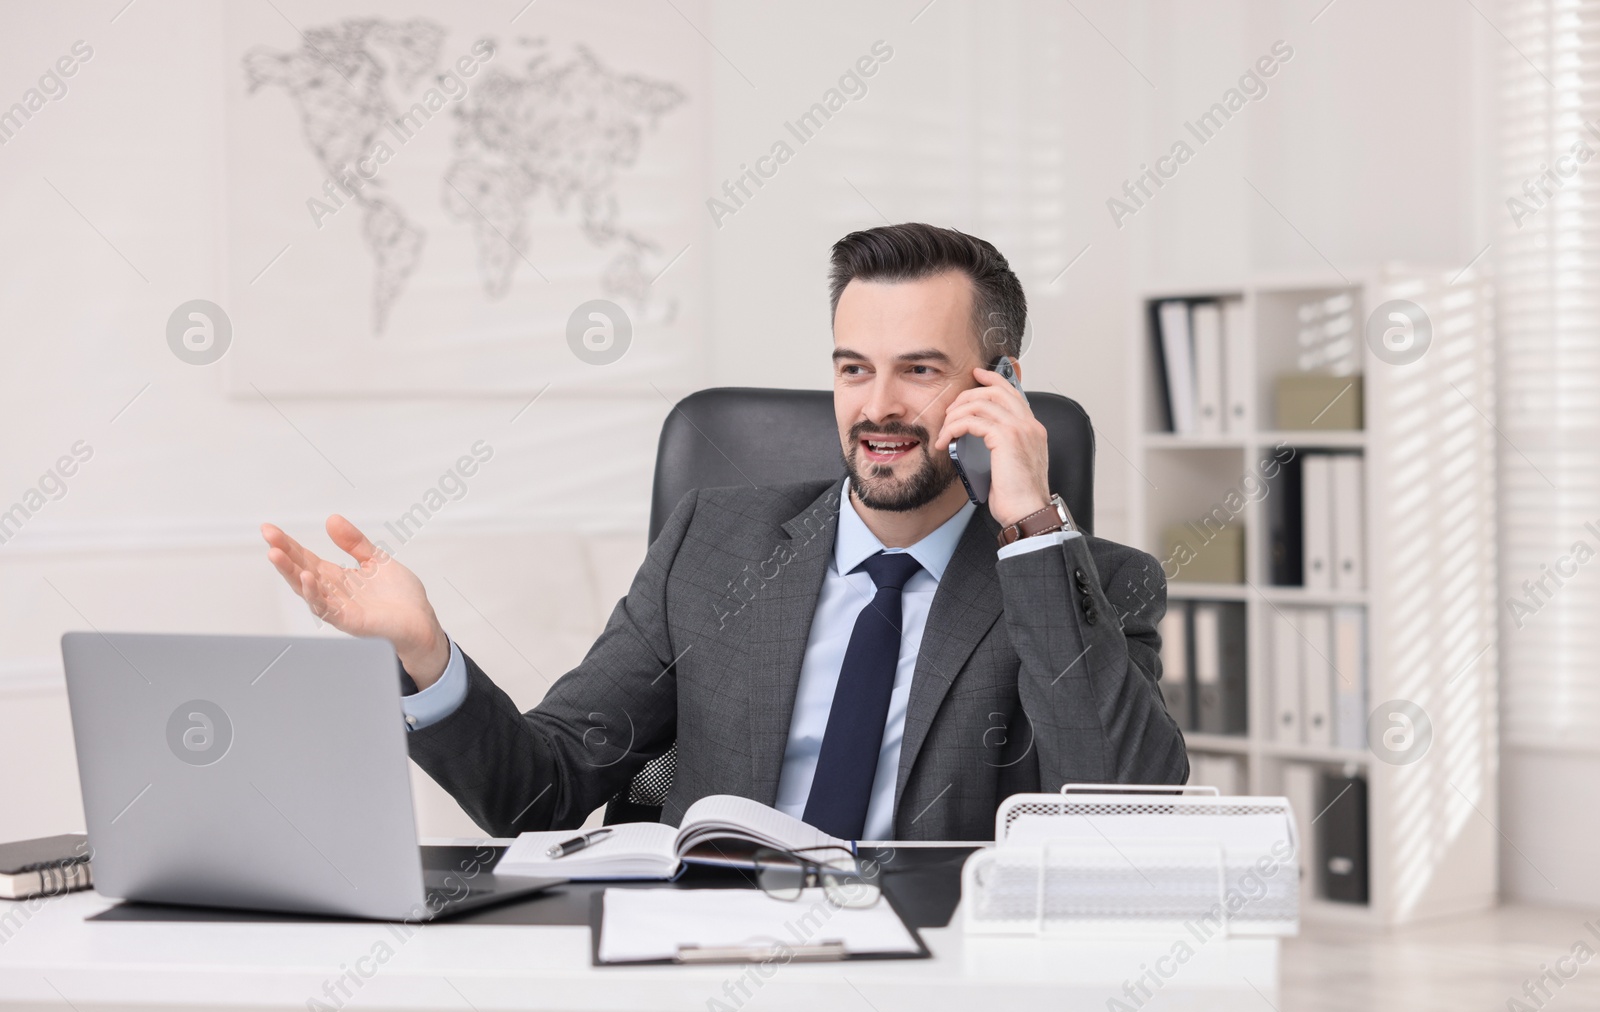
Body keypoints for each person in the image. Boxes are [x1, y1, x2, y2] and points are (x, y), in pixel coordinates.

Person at [261, 222, 1187, 842]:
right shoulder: (716, 545)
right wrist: (425, 655)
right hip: (710, 967)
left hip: (935, 987)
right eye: (854, 367)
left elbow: (1122, 814)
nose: (879, 407)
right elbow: (537, 791)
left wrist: (1030, 525)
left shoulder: (1101, 584)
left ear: (1001, 386)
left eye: (920, 370)